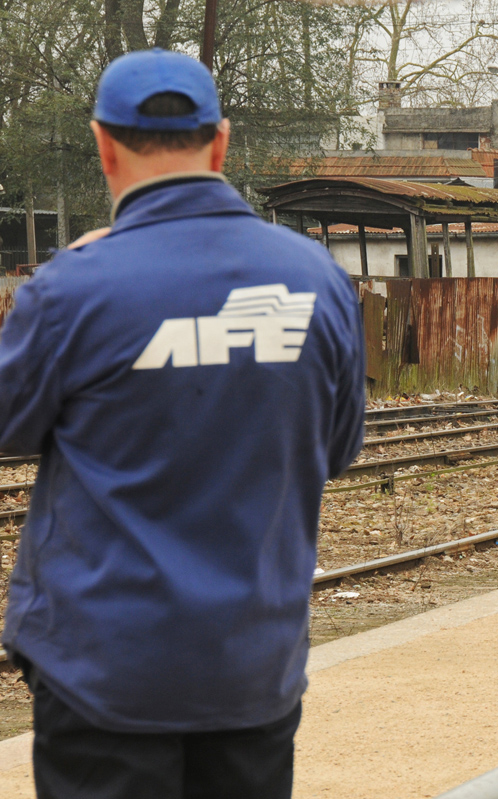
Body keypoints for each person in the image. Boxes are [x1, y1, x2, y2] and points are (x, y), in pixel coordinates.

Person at [0, 49, 365, 798]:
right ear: (221, 143)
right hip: (251, 670)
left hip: (103, 673)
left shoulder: (73, 288)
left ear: (104, 145)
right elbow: (336, 447)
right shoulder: (316, 280)